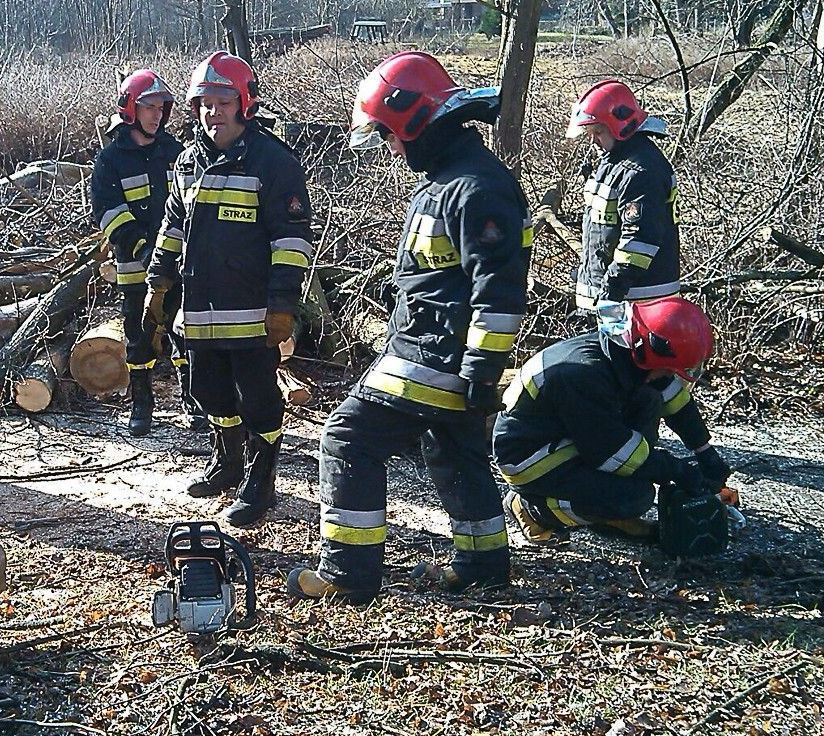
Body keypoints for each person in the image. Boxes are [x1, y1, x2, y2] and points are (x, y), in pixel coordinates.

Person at [288, 52, 531, 602]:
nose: (391, 148)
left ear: (417, 121)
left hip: (437, 355)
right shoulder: (453, 179)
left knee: (348, 438)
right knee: (454, 450)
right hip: (436, 349)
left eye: (389, 134)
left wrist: (481, 369)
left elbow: (499, 289)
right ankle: (483, 563)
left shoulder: (475, 188)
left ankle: (347, 574)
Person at [147, 51, 313, 527]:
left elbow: (292, 239)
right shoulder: (187, 161)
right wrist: (158, 278)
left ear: (245, 104)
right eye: (204, 103)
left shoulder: (273, 162)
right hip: (199, 311)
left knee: (259, 400)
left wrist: (282, 305)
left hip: (252, 312)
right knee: (209, 393)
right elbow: (172, 224)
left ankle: (261, 481)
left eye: (222, 102)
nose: (212, 113)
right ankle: (227, 463)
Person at [494, 297, 733, 542]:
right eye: (667, 370)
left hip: (567, 435)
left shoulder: (630, 354)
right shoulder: (581, 375)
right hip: (531, 458)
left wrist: (705, 452)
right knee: (634, 497)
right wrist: (677, 470)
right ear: (651, 355)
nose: (668, 376)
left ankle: (602, 503)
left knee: (650, 399)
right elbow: (611, 452)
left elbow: (675, 400)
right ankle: (533, 509)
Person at [91, 68, 205, 436]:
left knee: (185, 332)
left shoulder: (176, 153)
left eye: (161, 108)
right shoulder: (110, 160)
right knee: (139, 336)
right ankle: (142, 403)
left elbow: (193, 205)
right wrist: (143, 250)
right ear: (130, 109)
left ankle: (194, 401)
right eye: (149, 107)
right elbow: (108, 213)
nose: (157, 115)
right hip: (135, 267)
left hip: (180, 263)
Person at [568, 80, 680, 316]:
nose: (593, 141)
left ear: (620, 127)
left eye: (598, 132)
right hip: (614, 303)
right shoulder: (613, 161)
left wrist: (610, 290)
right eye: (589, 133)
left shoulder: (641, 171)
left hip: (638, 305)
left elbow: (639, 242)